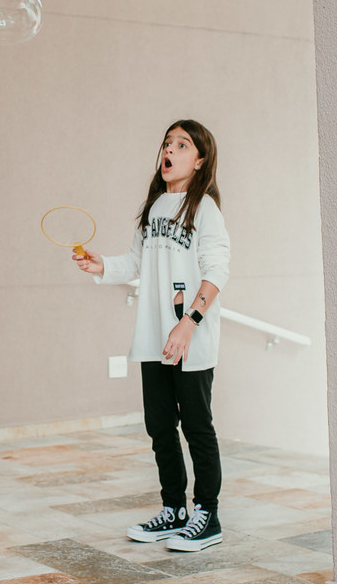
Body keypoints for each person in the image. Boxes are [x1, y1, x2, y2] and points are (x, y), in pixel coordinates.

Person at [74, 119, 231, 552]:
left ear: (199, 161)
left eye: (182, 145)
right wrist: (100, 265)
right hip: (154, 337)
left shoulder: (206, 211)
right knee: (160, 426)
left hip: (190, 338)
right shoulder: (155, 208)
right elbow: (134, 261)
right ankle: (174, 510)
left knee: (197, 427)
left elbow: (217, 271)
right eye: (167, 143)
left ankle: (207, 515)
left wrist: (189, 323)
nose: (170, 150)